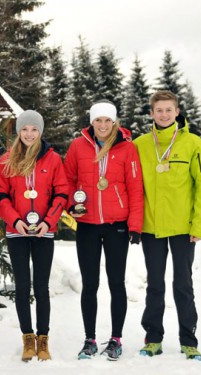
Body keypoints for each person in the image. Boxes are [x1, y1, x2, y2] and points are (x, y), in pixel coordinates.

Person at [133, 90, 201, 361]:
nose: (164, 114)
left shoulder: (192, 143)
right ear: (151, 113)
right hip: (151, 225)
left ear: (177, 111)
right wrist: (135, 223)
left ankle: (189, 341)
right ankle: (153, 338)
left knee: (183, 284)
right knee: (154, 285)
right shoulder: (140, 144)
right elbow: (133, 186)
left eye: (169, 110)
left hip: (183, 228)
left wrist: (199, 226)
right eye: (159, 110)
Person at [64, 100, 144, 361]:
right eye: (98, 120)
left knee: (116, 282)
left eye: (107, 121)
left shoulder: (127, 148)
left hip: (116, 226)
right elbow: (67, 181)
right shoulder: (78, 146)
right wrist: (69, 207)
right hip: (86, 224)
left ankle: (116, 339)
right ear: (92, 122)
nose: (102, 125)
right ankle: (89, 339)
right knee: (90, 284)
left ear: (114, 122)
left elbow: (135, 188)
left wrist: (135, 225)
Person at [0, 110, 69, 362]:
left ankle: (43, 339)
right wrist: (15, 220)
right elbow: (1, 197)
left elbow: (62, 194)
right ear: (19, 132)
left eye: (34, 129)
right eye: (25, 129)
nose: (29, 134)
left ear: (40, 132)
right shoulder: (6, 160)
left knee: (42, 287)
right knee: (23, 286)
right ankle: (28, 338)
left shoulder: (53, 159)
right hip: (17, 232)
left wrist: (49, 222)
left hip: (44, 232)